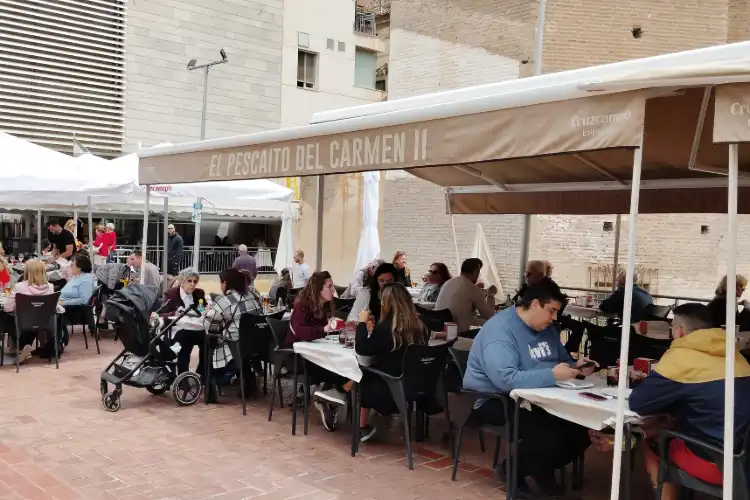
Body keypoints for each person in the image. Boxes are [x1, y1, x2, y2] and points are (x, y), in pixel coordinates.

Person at [463, 279, 594, 498]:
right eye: (551, 311)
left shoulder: (547, 329)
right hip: (496, 400)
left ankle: (539, 468)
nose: (554, 318)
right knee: (549, 435)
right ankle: (513, 470)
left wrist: (575, 367)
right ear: (535, 304)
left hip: (539, 397)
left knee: (583, 429)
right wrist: (552, 375)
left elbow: (559, 361)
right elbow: (506, 379)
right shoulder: (500, 331)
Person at [629, 303, 750, 500]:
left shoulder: (681, 357)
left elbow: (638, 403)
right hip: (743, 456)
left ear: (678, 331)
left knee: (653, 444)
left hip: (716, 462)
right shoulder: (736, 356)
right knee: (668, 424)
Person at [355, 282, 430, 442]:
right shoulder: (422, 328)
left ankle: (361, 427)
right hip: (418, 391)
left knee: (362, 374)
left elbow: (362, 348)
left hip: (390, 393)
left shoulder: (387, 330)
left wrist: (362, 323)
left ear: (386, 303)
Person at [287, 272, 352, 431]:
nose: (333, 290)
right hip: (297, 357)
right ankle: (328, 400)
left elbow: (322, 332)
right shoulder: (302, 305)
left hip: (316, 354)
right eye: (329, 287)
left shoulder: (325, 306)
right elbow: (300, 332)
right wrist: (325, 329)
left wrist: (340, 328)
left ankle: (328, 401)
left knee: (345, 369)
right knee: (342, 371)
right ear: (318, 289)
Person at [203, 268, 264, 402]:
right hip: (258, 345)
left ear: (225, 283)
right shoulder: (254, 295)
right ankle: (246, 379)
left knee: (208, 339)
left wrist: (208, 313)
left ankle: (209, 379)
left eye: (221, 282)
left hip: (235, 347)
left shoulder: (223, 301)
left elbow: (209, 326)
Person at [3, 259, 55, 363]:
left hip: (23, 322)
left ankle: (23, 347)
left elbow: (7, 308)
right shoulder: (50, 287)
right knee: (34, 318)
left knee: (6, 317)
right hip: (44, 322)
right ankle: (25, 347)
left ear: (27, 272)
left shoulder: (19, 287)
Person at [162, 268, 208, 376]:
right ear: (182, 281)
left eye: (195, 281)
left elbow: (203, 307)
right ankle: (183, 376)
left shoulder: (199, 293)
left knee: (208, 340)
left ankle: (203, 373)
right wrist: (175, 313)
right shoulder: (171, 294)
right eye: (189, 281)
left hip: (196, 327)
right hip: (178, 328)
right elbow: (162, 313)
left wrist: (206, 310)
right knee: (185, 341)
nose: (192, 284)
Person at [434, 258, 495, 331]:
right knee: (492, 325)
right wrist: (490, 295)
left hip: (438, 328)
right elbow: (489, 316)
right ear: (476, 272)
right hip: (458, 332)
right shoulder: (471, 287)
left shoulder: (448, 282)